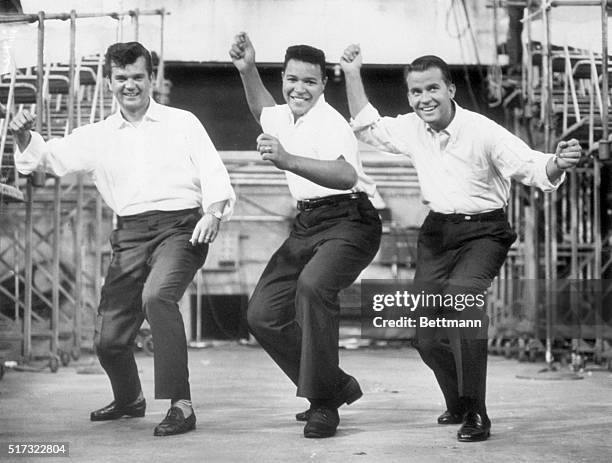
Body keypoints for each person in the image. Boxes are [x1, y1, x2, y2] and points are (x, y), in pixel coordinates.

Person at [339, 45, 582, 442]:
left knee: (462, 302)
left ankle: (477, 414)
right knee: (423, 332)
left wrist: (558, 161)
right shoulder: (412, 128)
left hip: (484, 231)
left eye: (432, 89)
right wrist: (352, 73)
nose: (424, 99)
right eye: (416, 92)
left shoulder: (483, 131)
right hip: (437, 233)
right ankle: (456, 400)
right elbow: (368, 127)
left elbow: (531, 165)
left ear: (451, 89)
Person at [10, 41, 235, 437]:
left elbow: (214, 171)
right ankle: (130, 399)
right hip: (129, 234)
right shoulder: (97, 134)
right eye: (121, 78)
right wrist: (25, 138)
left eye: (137, 77)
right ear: (110, 82)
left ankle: (181, 404)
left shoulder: (183, 122)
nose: (129, 85)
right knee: (109, 341)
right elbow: (49, 158)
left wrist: (214, 211)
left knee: (157, 297)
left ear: (151, 78)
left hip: (181, 229)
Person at [229, 33, 382, 438]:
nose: (299, 89)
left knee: (313, 288)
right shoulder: (282, 113)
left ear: (322, 85)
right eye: (292, 80)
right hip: (306, 224)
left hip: (351, 220)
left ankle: (322, 405)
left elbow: (346, 174)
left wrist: (287, 159)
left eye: (309, 82)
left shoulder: (331, 122)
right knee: (262, 314)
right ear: (283, 78)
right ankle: (334, 385)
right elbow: (261, 106)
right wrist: (247, 69)